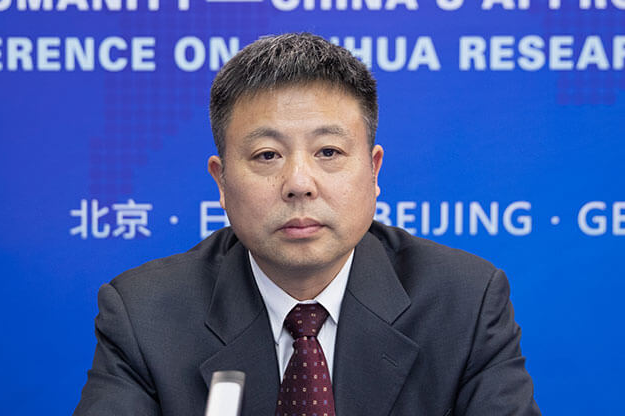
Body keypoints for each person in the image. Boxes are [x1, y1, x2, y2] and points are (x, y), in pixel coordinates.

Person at [74, 33, 540, 416]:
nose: (299, 183)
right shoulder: (145, 314)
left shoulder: (464, 301)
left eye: (328, 152)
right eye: (267, 155)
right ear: (221, 180)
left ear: (373, 170)